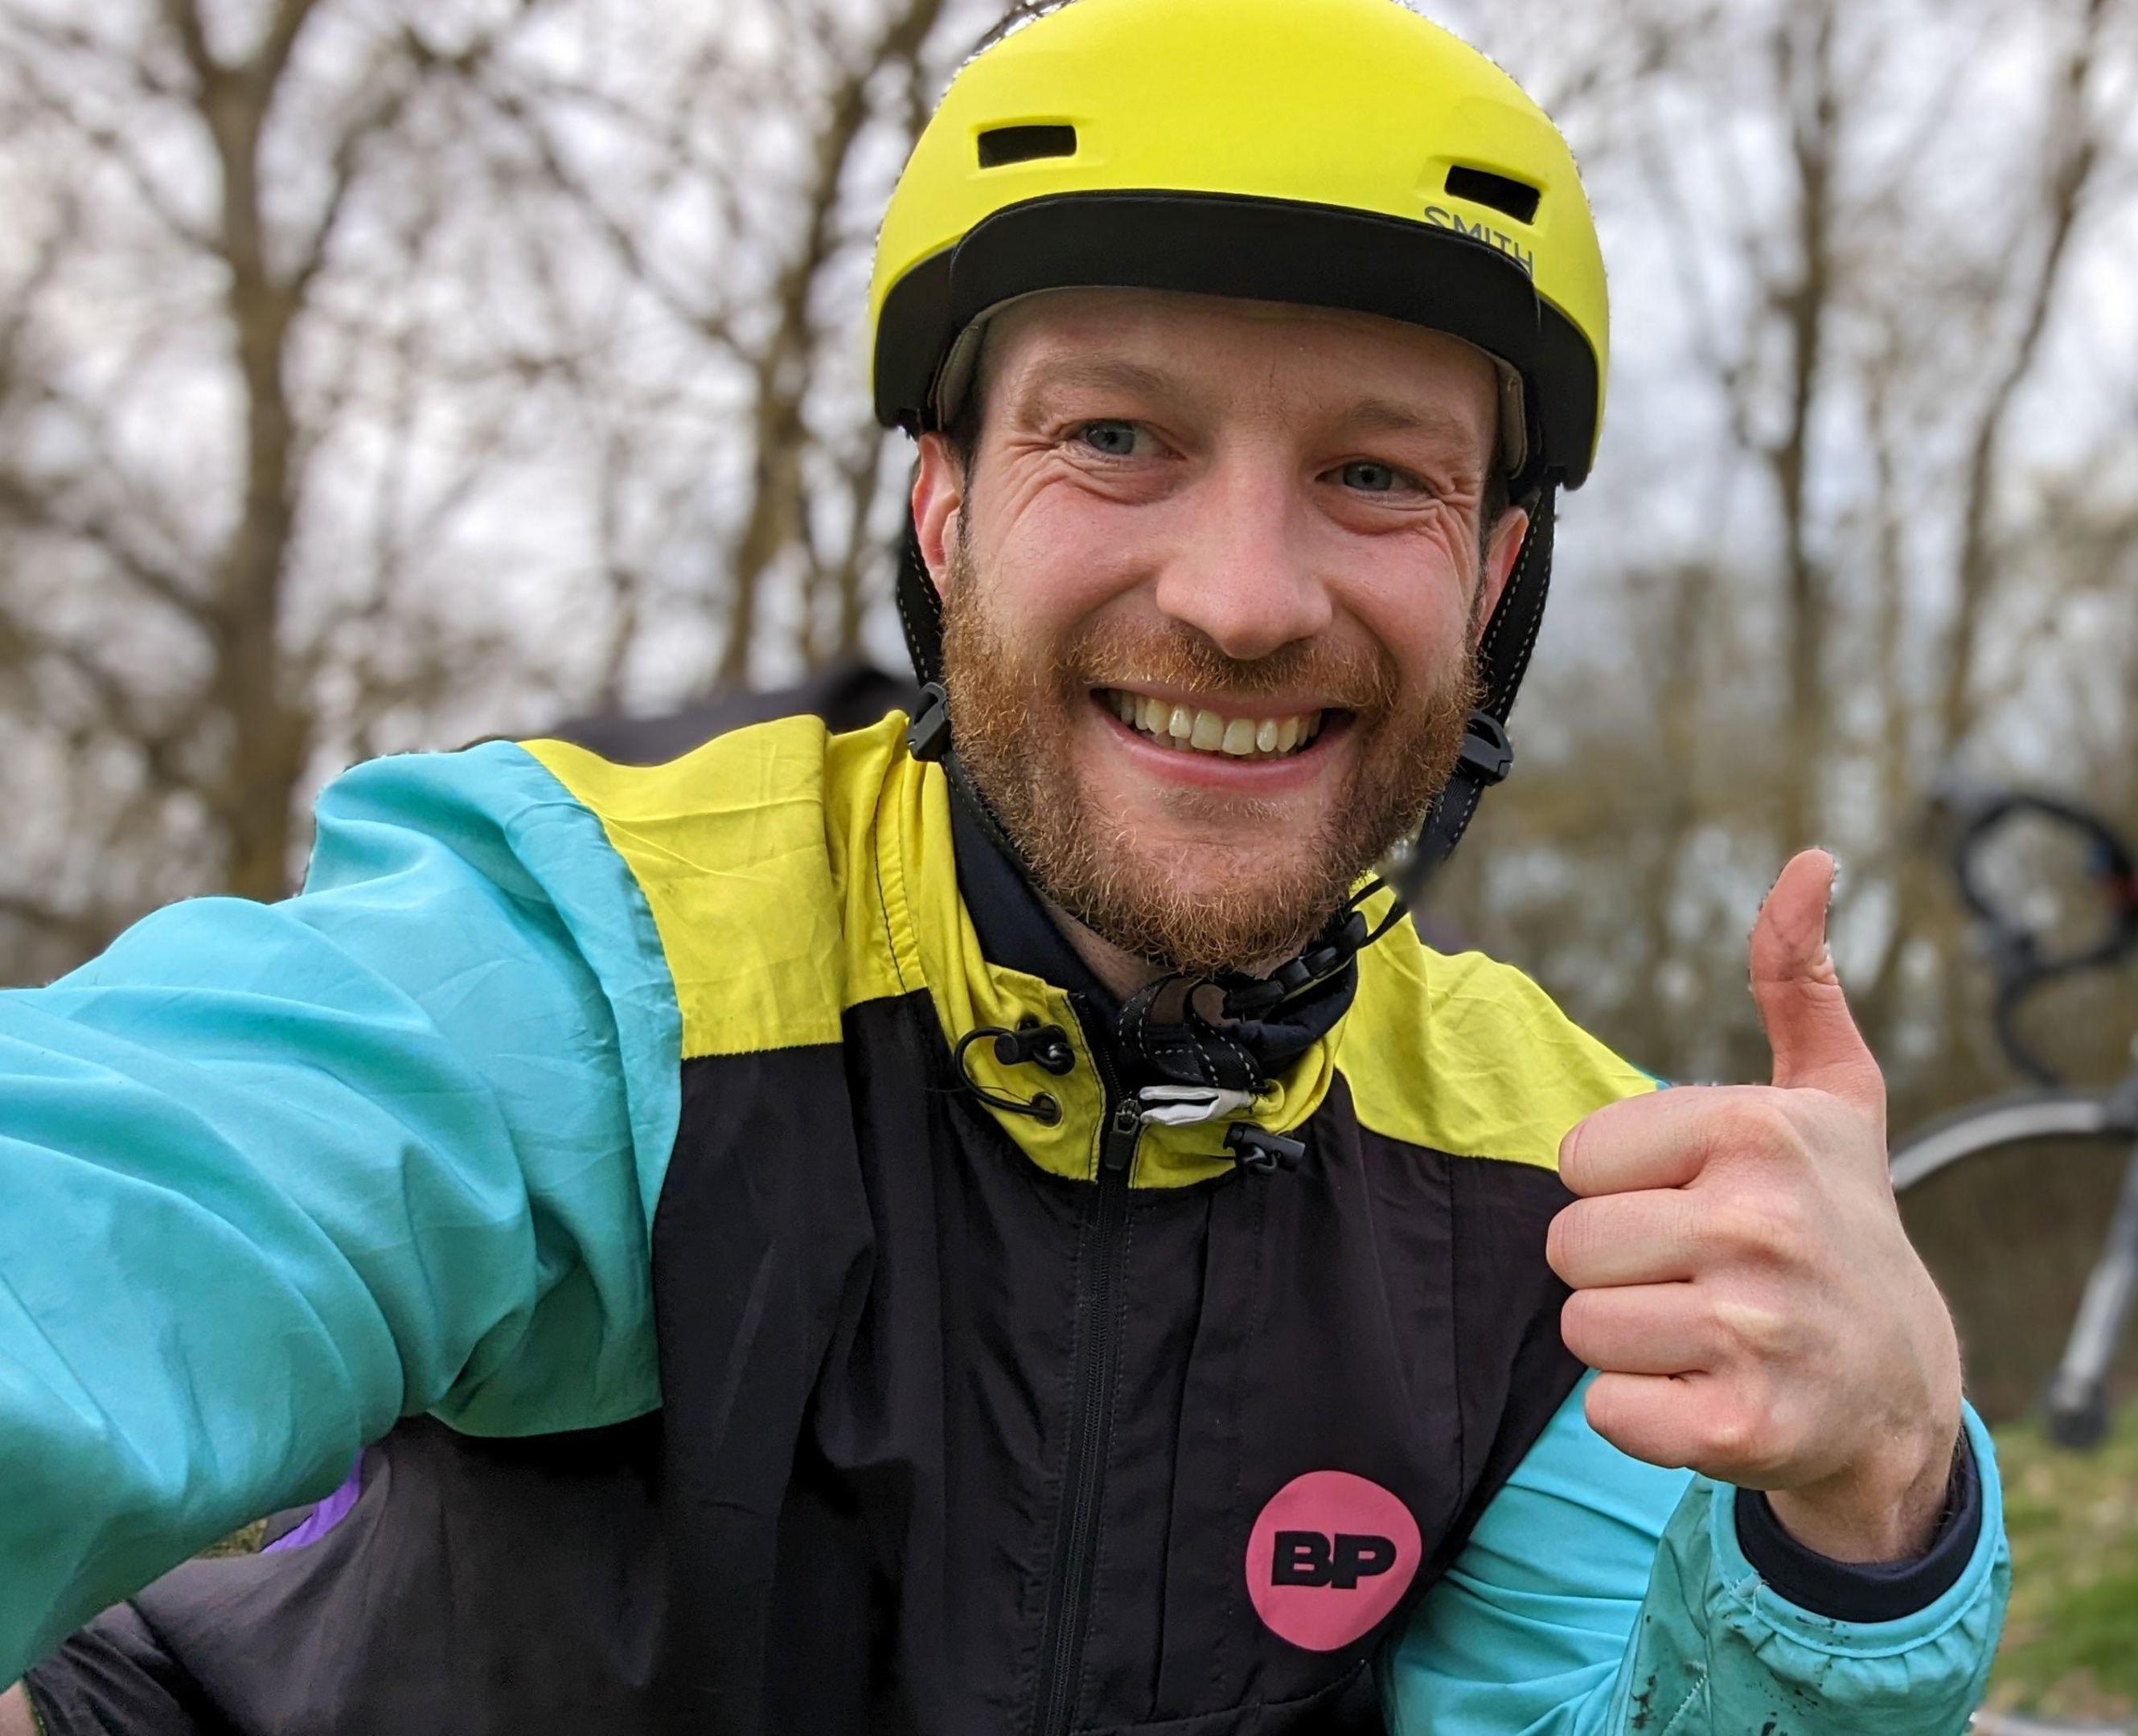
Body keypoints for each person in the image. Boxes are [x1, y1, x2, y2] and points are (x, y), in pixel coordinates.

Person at [0, 1, 2009, 1730]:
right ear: (946, 512)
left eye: (1376, 474)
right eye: (1118, 438)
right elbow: (105, 1226)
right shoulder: (610, 965)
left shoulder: (1566, 1187)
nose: (1238, 598)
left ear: (1492, 581)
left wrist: (1862, 1521)